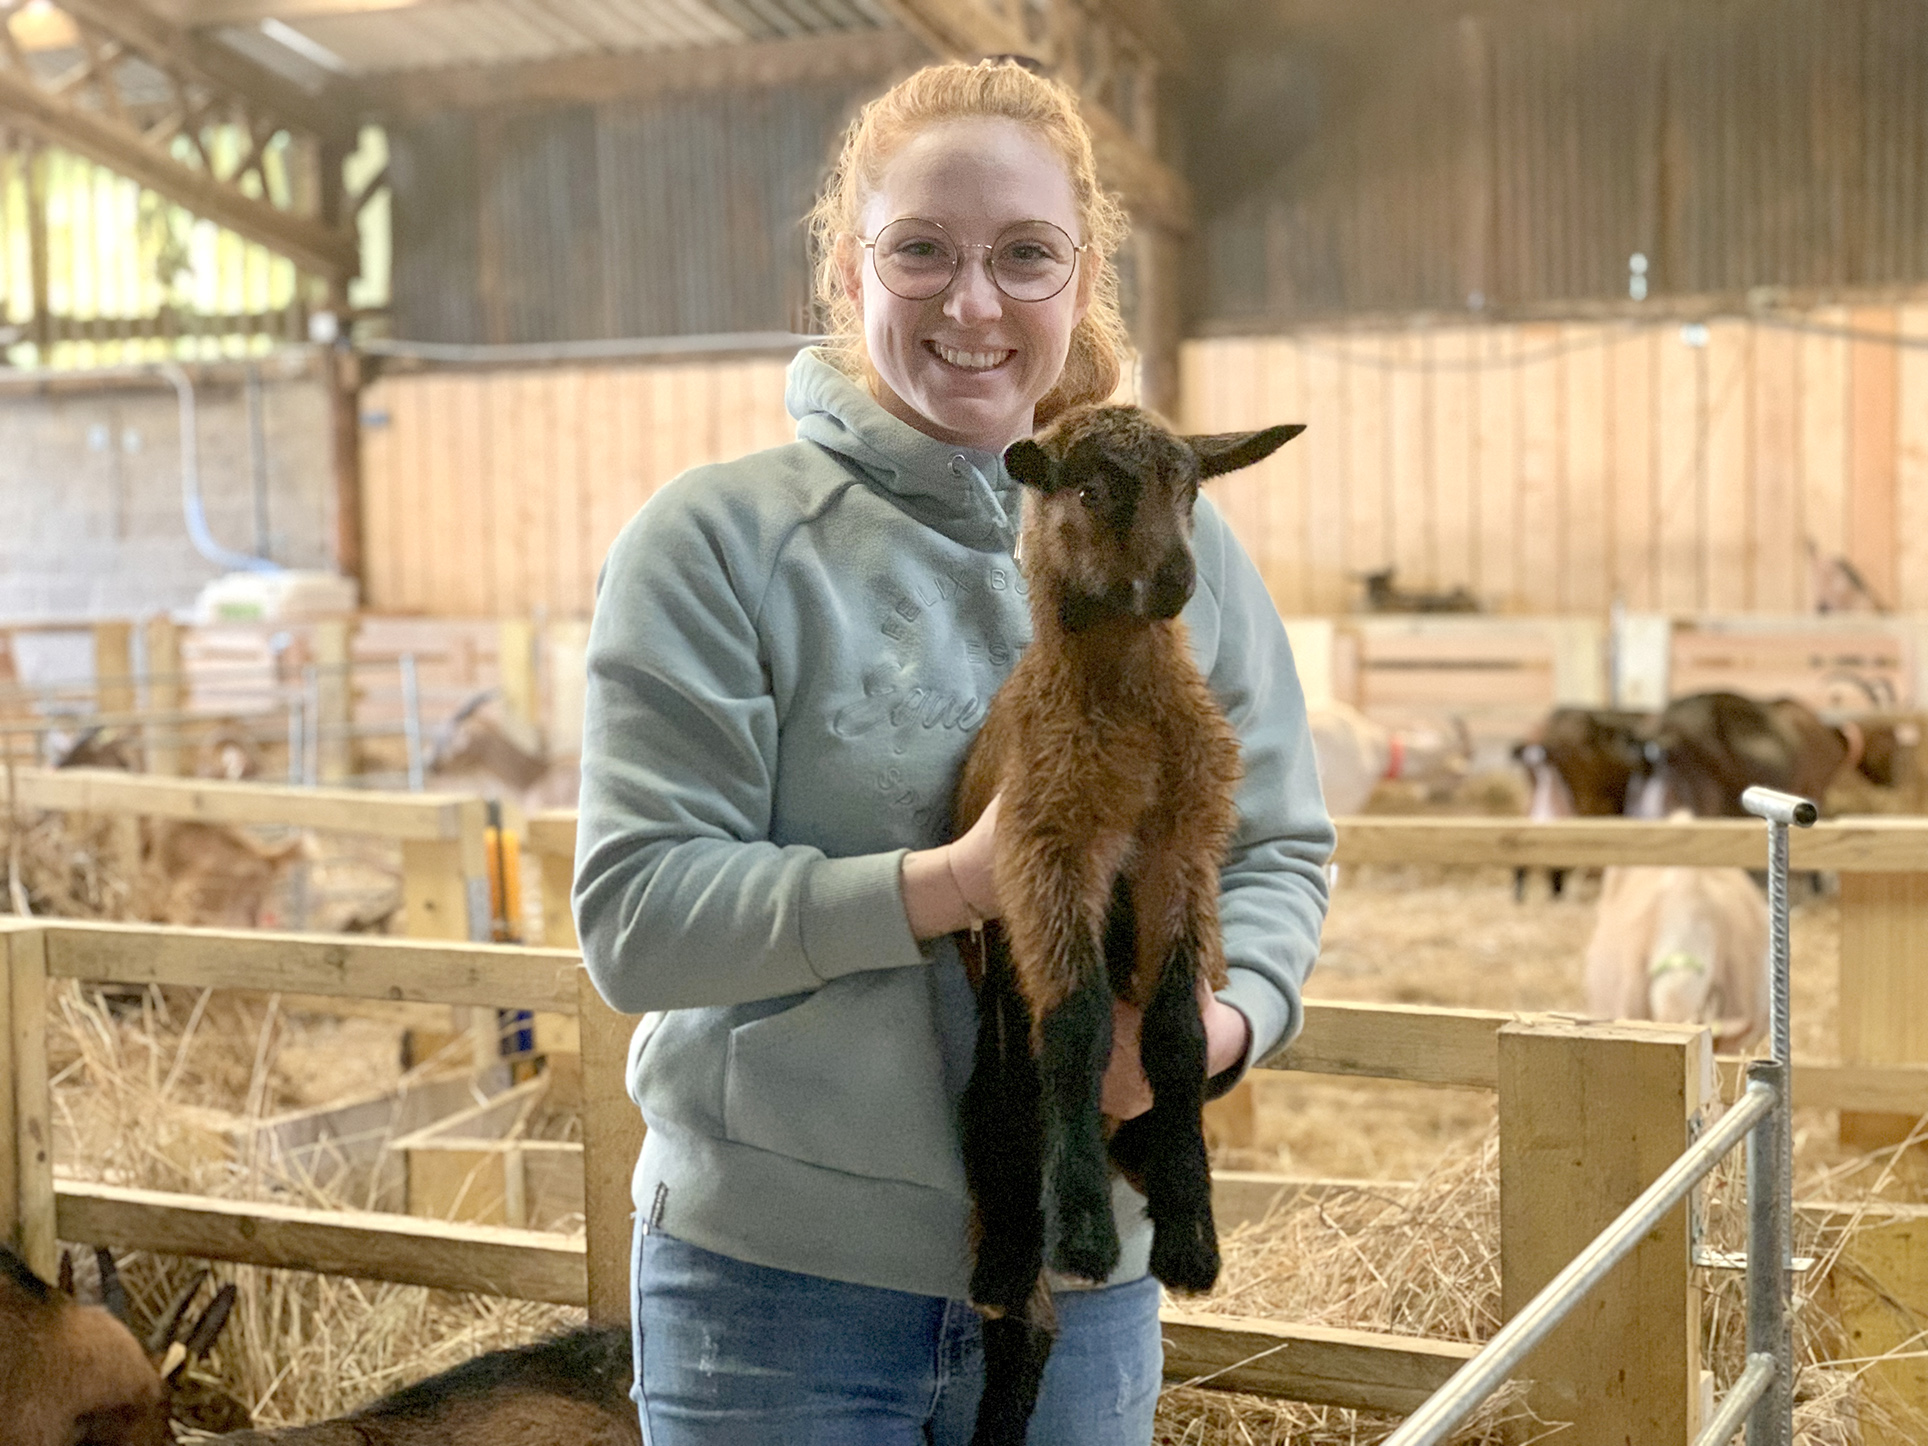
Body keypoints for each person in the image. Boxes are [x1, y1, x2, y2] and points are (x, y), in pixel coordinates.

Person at [574, 58, 1333, 1446]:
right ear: (849, 267)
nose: (972, 301)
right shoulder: (720, 542)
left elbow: (1279, 840)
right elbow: (635, 917)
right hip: (777, 1301)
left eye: (1022, 255)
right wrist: (952, 881)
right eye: (920, 250)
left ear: (1081, 274)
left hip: (1085, 1276)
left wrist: (1213, 1032)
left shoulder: (1181, 537)